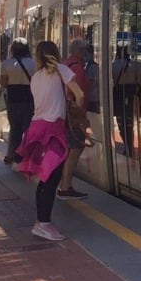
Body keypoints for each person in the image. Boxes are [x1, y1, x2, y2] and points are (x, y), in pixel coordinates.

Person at [16, 40, 84, 242]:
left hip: (36, 129)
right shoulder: (61, 70)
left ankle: (43, 222)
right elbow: (79, 94)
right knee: (52, 178)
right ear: (55, 53)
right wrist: (76, 109)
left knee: (46, 178)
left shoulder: (36, 77)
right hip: (53, 130)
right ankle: (43, 223)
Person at [57, 38, 93, 199]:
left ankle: (63, 185)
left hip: (64, 113)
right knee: (75, 151)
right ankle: (65, 187)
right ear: (80, 51)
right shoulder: (77, 68)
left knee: (69, 151)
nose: (87, 54)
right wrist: (79, 114)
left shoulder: (64, 65)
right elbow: (78, 93)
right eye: (85, 51)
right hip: (74, 117)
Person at [0, 40, 37, 164]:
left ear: (12, 49)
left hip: (13, 100)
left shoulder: (6, 64)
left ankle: (12, 154)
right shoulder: (33, 63)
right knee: (29, 129)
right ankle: (29, 155)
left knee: (15, 129)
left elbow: (3, 83)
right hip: (30, 99)